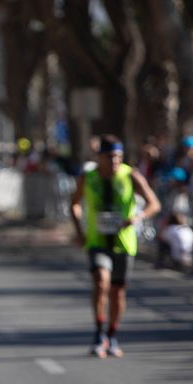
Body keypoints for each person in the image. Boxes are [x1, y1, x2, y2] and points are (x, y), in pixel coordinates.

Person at [70, 135, 160, 358]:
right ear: (99, 157)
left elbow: (154, 203)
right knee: (101, 283)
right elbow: (74, 204)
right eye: (110, 157)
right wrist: (80, 231)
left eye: (118, 157)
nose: (114, 161)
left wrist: (137, 218)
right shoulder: (87, 177)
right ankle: (99, 334)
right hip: (96, 241)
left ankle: (112, 335)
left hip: (124, 243)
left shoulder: (130, 175)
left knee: (118, 292)